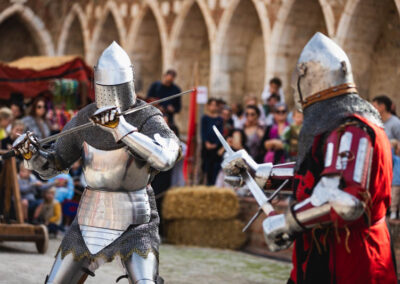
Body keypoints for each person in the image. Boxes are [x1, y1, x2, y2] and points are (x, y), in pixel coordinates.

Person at [221, 33, 397, 284]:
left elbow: (344, 199)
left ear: (309, 78)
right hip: (324, 255)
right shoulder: (342, 123)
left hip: (350, 260)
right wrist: (260, 174)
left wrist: (289, 221)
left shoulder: (351, 128)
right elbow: (314, 173)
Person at [13, 42, 180, 283]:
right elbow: (52, 166)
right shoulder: (85, 118)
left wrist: (120, 127)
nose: (111, 94)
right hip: (91, 215)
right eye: (106, 88)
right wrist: (32, 154)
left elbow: (165, 158)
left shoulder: (146, 116)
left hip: (136, 216)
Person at [201, 98, 223, 185]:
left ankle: (213, 184)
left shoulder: (219, 119)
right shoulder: (205, 118)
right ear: (208, 106)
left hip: (216, 148)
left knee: (214, 167)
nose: (213, 107)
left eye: (215, 105)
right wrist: (206, 142)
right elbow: (203, 132)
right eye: (212, 105)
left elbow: (220, 132)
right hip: (206, 148)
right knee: (206, 167)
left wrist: (216, 144)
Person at [390, 139, 400, 219]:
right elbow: (390, 155)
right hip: (396, 182)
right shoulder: (396, 159)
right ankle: (393, 211)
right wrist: (392, 147)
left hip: (396, 182)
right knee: (394, 197)